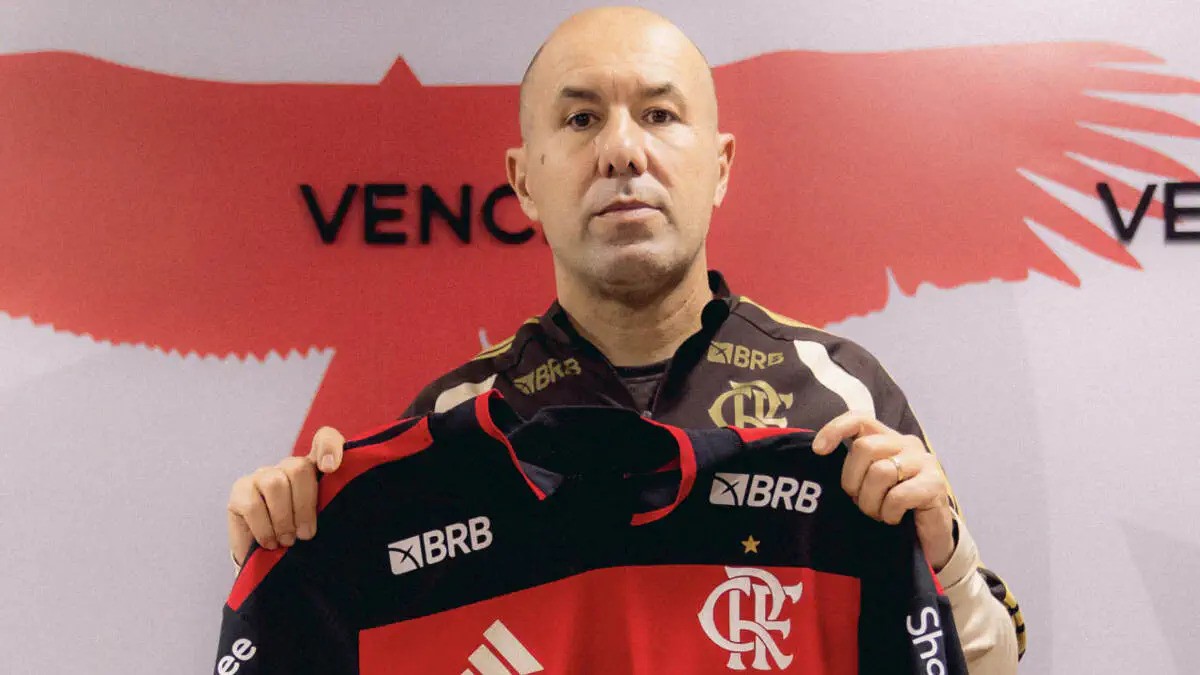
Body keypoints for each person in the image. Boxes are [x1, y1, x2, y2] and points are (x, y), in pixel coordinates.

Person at [225, 6, 1022, 672]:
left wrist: (942, 557)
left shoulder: (842, 394)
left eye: (660, 115)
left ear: (720, 166)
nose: (622, 151)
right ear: (524, 180)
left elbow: (989, 663)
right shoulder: (457, 417)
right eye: (581, 119)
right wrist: (295, 532)